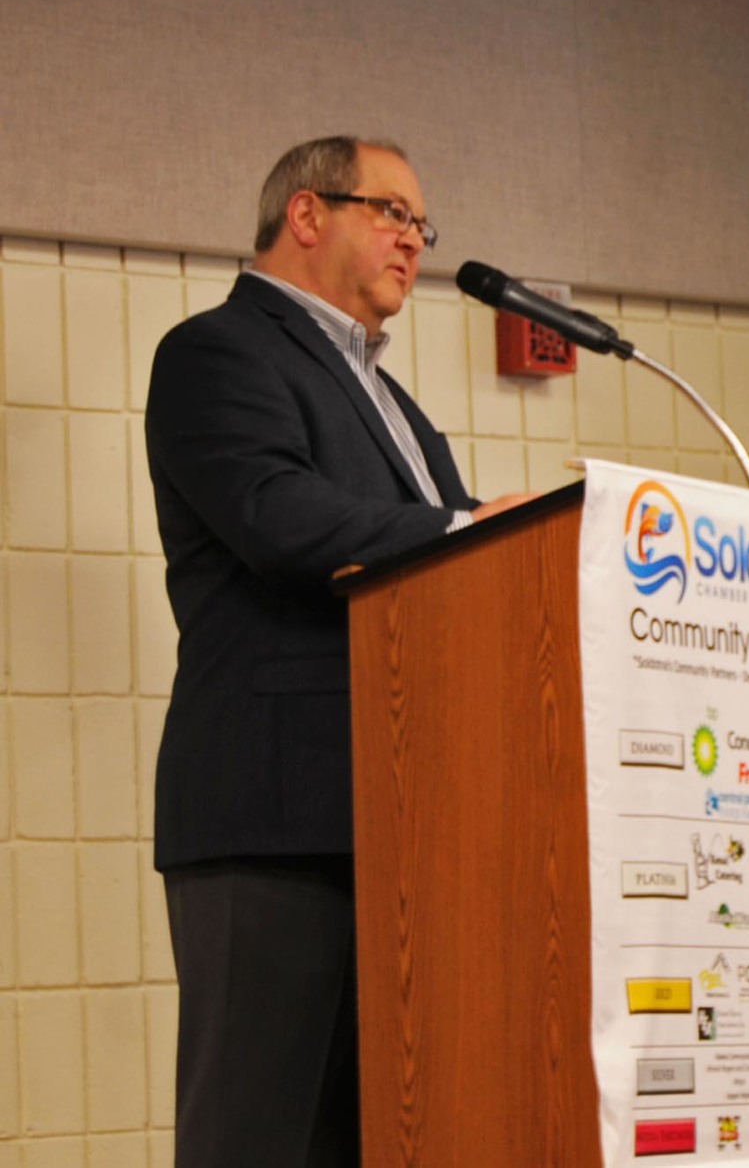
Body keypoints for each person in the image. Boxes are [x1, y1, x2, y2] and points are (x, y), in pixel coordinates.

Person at [144, 136, 533, 1165]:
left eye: (422, 226)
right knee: (257, 1139)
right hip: (274, 815)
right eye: (391, 213)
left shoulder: (394, 405)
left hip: (401, 824)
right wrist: (472, 528)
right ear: (306, 215)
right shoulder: (216, 351)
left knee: (382, 1136)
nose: (415, 240)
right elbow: (275, 517)